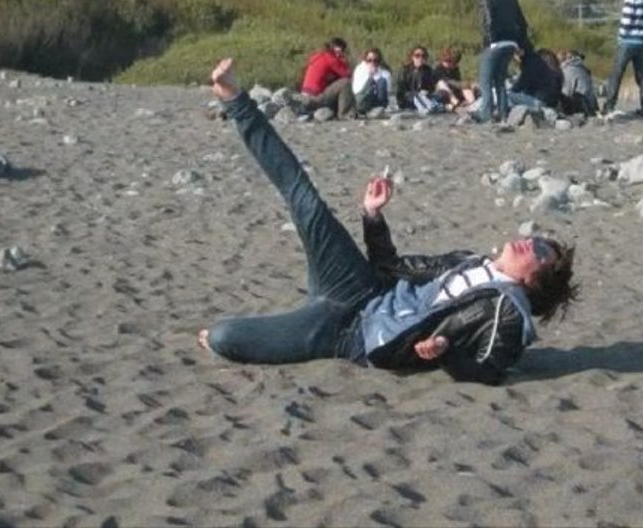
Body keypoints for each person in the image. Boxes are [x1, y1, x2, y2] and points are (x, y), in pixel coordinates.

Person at [198, 58, 578, 385]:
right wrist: (373, 215)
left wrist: (445, 352)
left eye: (542, 252)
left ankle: (239, 335)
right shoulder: (470, 262)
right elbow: (391, 267)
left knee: (222, 336)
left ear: (533, 281)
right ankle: (236, 100)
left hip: (354, 335)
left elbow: (491, 369)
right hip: (361, 288)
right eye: (540, 240)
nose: (532, 242)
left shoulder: (508, 309)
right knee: (306, 201)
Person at [475, 0, 533, 123]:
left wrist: (490, 40)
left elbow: (488, 20)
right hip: (511, 43)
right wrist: (519, 44)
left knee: (485, 78)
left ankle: (485, 114)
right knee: (500, 80)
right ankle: (503, 114)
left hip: (496, 42)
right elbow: (522, 23)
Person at [300, 37, 356, 119]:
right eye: (338, 52)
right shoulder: (331, 59)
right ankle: (345, 113)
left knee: (335, 82)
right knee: (346, 82)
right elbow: (347, 74)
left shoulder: (318, 56)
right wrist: (344, 61)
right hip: (315, 97)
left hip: (305, 95)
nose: (339, 54)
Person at [507, 47, 563, 111]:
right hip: (552, 103)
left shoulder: (531, 67)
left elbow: (518, 87)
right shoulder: (557, 71)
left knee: (508, 96)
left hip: (539, 102)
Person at [396, 46, 439, 113]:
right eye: (417, 56)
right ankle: (428, 108)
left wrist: (427, 92)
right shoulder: (405, 70)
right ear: (412, 57)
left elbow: (431, 88)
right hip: (407, 99)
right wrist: (415, 94)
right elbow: (401, 90)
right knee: (418, 96)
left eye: (423, 56)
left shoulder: (428, 70)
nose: (420, 58)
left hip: (424, 96)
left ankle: (432, 107)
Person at [352, 48, 391, 115]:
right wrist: (370, 76)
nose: (372, 63)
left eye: (375, 60)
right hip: (363, 98)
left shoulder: (384, 72)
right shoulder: (360, 69)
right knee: (370, 84)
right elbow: (357, 90)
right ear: (365, 60)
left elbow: (388, 91)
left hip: (378, 100)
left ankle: (379, 109)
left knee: (382, 81)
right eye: (369, 60)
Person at [559, 51, 599, 117]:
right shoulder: (582, 68)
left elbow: (566, 92)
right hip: (591, 105)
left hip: (582, 106)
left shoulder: (569, 70)